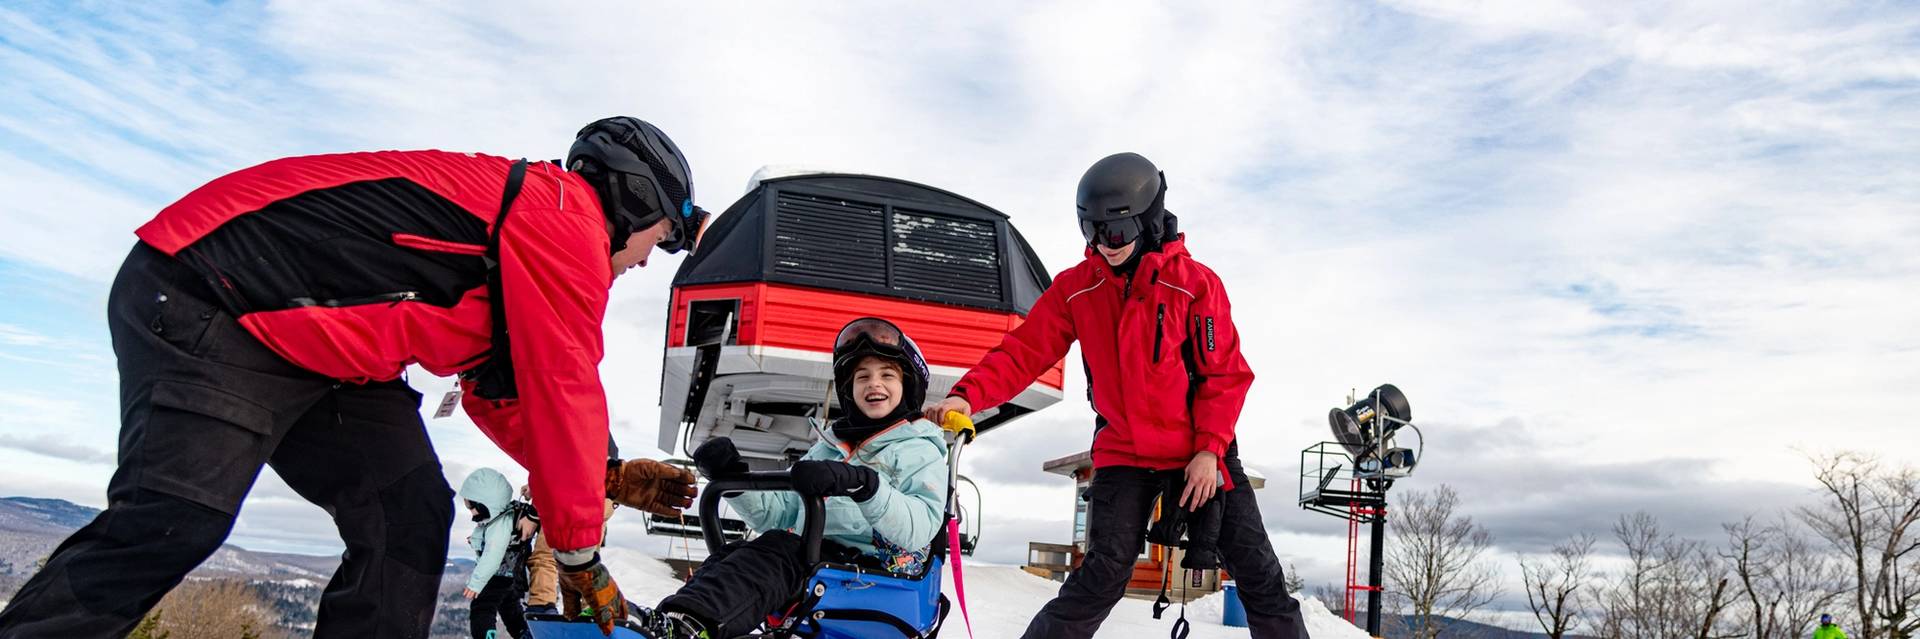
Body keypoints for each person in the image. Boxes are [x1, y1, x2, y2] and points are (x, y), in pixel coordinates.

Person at [0, 116, 704, 638]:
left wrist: (600, 477)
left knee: (410, 517)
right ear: (635, 199)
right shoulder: (562, 218)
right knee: (176, 518)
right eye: (663, 238)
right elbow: (564, 384)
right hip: (216, 292)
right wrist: (580, 552)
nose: (650, 258)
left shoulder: (534, 234)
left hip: (326, 352)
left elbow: (504, 390)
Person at [925, 152, 1312, 638]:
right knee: (1103, 574)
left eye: (1116, 234)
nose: (1104, 246)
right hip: (1124, 451)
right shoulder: (1077, 289)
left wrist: (1210, 450)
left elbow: (1225, 375)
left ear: (1148, 223)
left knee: (1259, 575)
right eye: (1091, 232)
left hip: (1199, 449)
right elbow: (1023, 352)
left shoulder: (1194, 286)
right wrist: (967, 396)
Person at [634, 318, 951, 638]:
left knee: (780, 552)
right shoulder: (830, 447)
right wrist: (732, 478)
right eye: (862, 376)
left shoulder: (918, 450)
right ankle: (676, 618)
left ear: (908, 385)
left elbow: (920, 527)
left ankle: (691, 625)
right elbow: (780, 513)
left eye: (887, 375)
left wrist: (865, 485)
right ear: (847, 388)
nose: (873, 384)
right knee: (740, 553)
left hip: (879, 572)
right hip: (816, 560)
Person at [461, 468, 532, 639]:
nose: (470, 510)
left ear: (484, 504)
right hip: (509, 577)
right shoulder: (501, 518)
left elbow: (493, 555)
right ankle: (526, 635)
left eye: (470, 504)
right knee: (511, 612)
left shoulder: (498, 525)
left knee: (482, 608)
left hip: (496, 576)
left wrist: (476, 583)